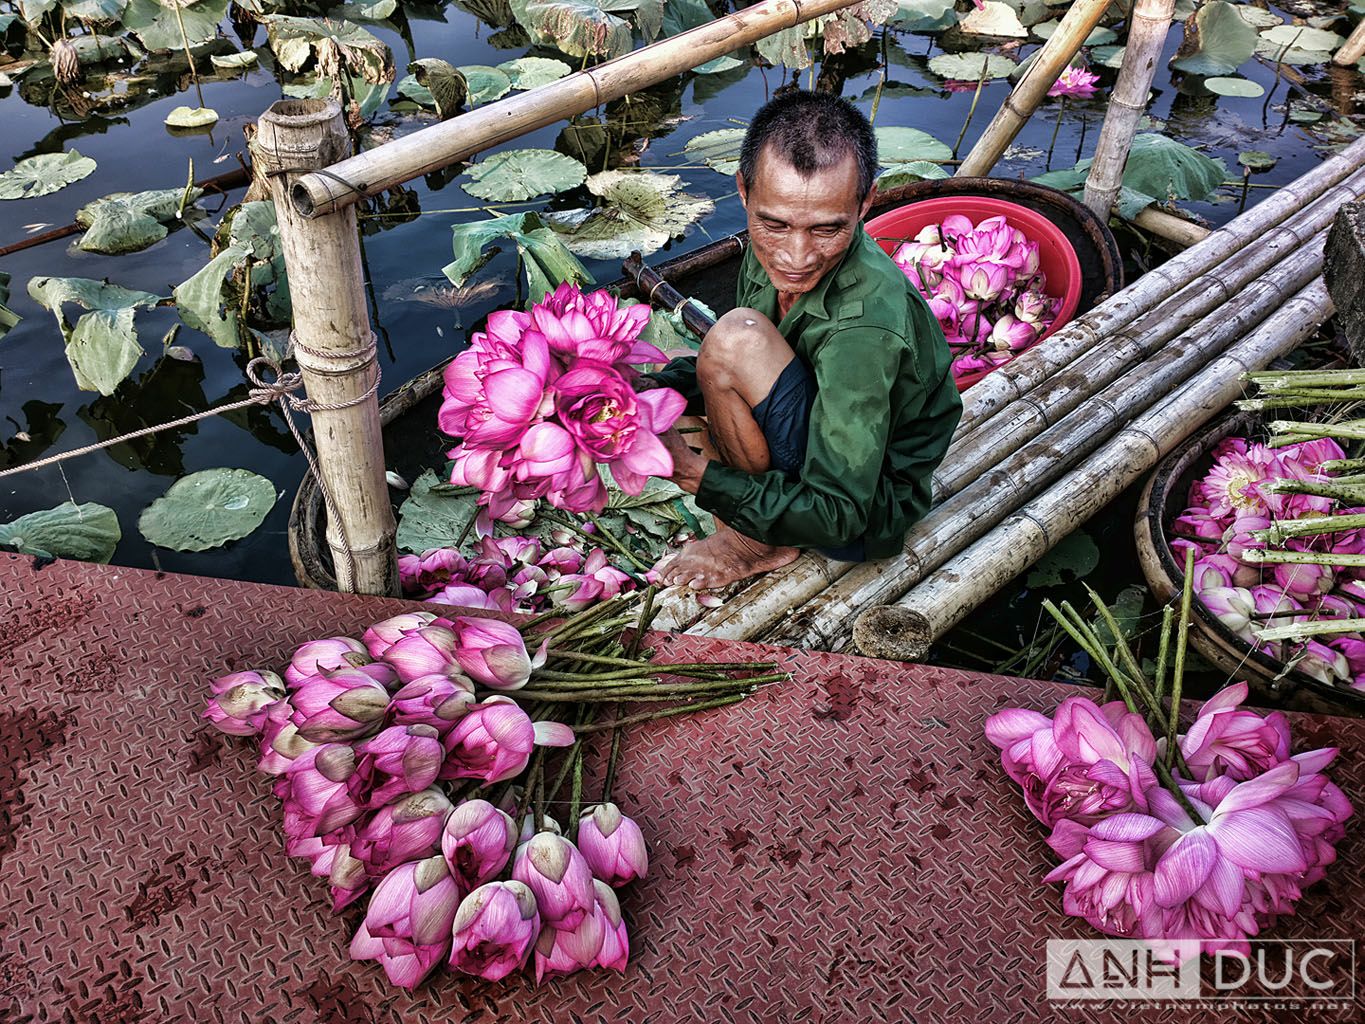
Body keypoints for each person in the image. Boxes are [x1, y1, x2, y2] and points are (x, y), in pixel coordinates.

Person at [645, 91, 962, 590]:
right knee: (687, 366)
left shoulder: (865, 332)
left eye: (827, 230)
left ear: (866, 202)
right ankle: (756, 512)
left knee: (731, 342)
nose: (797, 255)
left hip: (859, 516)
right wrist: (630, 387)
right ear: (744, 192)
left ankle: (753, 543)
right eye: (775, 223)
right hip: (815, 425)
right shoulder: (768, 249)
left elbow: (841, 515)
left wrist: (698, 477)